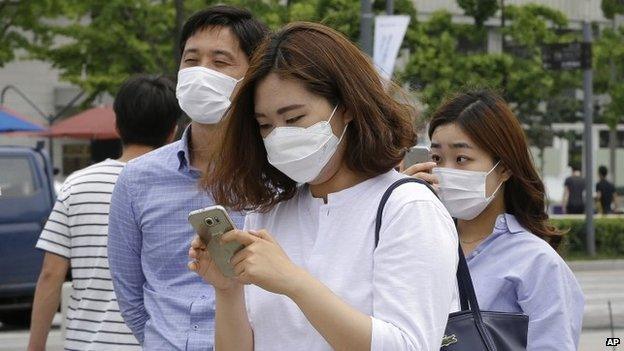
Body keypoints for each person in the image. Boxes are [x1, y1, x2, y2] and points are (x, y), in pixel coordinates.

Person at [188, 22, 459, 351]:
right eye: (265, 125)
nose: (278, 136)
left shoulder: (408, 208)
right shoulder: (269, 213)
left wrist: (294, 282)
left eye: (294, 118)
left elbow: (407, 345)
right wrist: (228, 289)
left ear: (345, 107)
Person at [107, 6, 268, 350]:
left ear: (253, 76)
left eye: (220, 62)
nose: (200, 72)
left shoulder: (278, 178)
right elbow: (130, 295)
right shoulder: (137, 179)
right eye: (191, 60)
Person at [404, 89, 584, 350]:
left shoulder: (536, 262)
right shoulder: (419, 244)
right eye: (436, 158)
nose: (445, 171)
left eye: (462, 158)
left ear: (504, 168)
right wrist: (402, 210)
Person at [28, 75, 180, 351]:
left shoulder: (77, 184)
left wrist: (35, 346)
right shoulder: (180, 189)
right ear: (173, 131)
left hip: (87, 343)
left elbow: (51, 274)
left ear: (117, 125)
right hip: (156, 342)